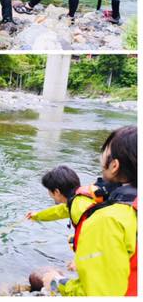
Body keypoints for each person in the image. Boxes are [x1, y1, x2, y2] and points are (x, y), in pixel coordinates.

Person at [39, 126, 137, 296]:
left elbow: (98, 293)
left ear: (114, 165)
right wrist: (36, 216)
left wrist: (56, 282)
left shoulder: (105, 220)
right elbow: (61, 211)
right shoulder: (129, 205)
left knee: (40, 276)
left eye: (104, 153)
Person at [25, 165, 95, 227]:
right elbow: (58, 212)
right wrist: (37, 216)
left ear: (56, 192)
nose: (49, 194)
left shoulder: (80, 210)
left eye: (49, 190)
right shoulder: (78, 200)